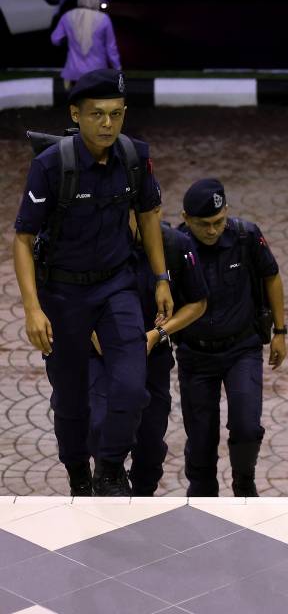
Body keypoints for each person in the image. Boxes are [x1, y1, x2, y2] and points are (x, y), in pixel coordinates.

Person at [12, 68, 172, 496]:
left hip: (115, 286)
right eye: (97, 114)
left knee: (131, 385)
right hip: (62, 294)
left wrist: (161, 277)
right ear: (76, 114)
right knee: (71, 398)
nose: (107, 124)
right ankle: (77, 473)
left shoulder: (135, 157)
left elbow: (149, 215)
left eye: (116, 114)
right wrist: (32, 308)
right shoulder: (52, 166)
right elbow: (23, 240)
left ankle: (109, 468)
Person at [177, 179, 287, 497]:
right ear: (186, 217)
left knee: (247, 425)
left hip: (242, 349)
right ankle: (202, 491)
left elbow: (271, 275)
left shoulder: (245, 236)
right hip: (195, 355)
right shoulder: (174, 244)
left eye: (218, 221)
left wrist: (280, 331)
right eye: (203, 224)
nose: (212, 231)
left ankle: (244, 479)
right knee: (200, 437)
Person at [88, 220, 209, 495]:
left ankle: (142, 496)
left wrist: (158, 333)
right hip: (103, 357)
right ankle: (108, 479)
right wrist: (92, 330)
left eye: (154, 209)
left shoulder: (176, 244)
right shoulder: (100, 242)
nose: (146, 218)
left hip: (152, 356)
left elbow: (198, 302)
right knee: (99, 426)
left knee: (151, 444)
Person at [50, 0, 120, 90]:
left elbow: (55, 39)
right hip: (97, 73)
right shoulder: (104, 19)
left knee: (75, 103)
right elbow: (111, 49)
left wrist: (69, 39)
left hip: (73, 74)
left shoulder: (67, 17)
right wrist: (117, 68)